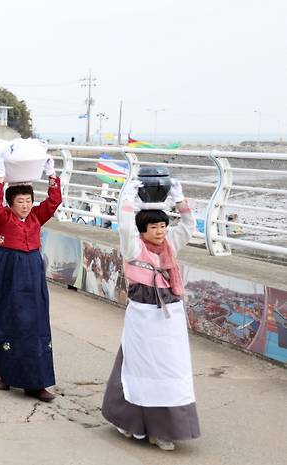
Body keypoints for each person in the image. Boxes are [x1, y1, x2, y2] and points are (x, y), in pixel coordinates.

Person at [101, 179, 199, 451]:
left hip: (170, 313)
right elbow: (124, 227)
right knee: (139, 366)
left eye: (163, 226)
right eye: (153, 227)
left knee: (171, 367)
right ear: (142, 230)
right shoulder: (133, 249)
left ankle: (164, 429)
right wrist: (128, 198)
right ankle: (133, 421)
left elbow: (190, 227)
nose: (160, 232)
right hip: (143, 313)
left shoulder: (171, 245)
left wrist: (180, 199)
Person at [0, 159, 61, 402]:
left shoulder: (36, 217)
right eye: (20, 201)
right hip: (8, 268)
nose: (26, 206)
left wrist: (52, 174)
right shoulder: (2, 217)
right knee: (8, 319)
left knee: (35, 322)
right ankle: (5, 373)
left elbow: (53, 202)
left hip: (32, 268)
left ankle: (35, 381)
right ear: (10, 203)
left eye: (29, 201)